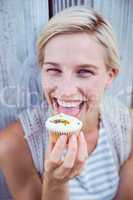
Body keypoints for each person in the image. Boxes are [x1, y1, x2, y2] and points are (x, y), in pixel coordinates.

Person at [0, 6, 132, 200]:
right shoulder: (14, 144)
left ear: (110, 76)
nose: (66, 91)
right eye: (54, 70)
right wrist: (55, 183)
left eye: (84, 72)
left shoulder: (126, 130)